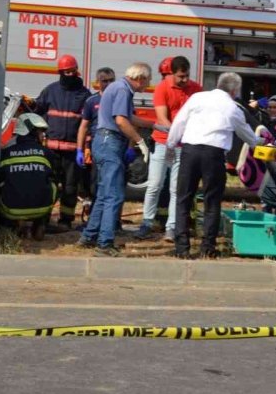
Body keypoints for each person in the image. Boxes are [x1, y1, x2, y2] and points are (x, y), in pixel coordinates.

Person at [166, 72, 258, 259]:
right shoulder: (232, 108)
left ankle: (182, 247)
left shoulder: (197, 98)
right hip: (213, 155)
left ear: (218, 84)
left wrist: (170, 144)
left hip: (190, 151)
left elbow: (179, 122)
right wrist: (260, 143)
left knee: (184, 198)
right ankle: (207, 246)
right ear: (235, 91)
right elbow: (246, 133)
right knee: (212, 201)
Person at [78, 63, 154, 256]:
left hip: (103, 142)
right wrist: (139, 141)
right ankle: (105, 244)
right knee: (114, 195)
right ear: (140, 78)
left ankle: (89, 236)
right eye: (148, 80)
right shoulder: (123, 90)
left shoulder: (118, 87)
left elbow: (129, 118)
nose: (148, 85)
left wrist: (154, 125)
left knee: (104, 193)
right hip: (110, 142)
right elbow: (121, 120)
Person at [134, 56, 202, 242]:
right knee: (154, 185)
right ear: (172, 73)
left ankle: (171, 227)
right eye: (181, 76)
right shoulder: (162, 88)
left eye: (187, 75)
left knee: (176, 189)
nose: (185, 80)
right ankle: (147, 223)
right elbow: (162, 118)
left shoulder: (196, 89)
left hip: (184, 144)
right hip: (163, 142)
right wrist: (175, 134)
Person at [33, 55, 91, 230]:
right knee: (48, 186)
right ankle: (42, 219)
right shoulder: (50, 91)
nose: (70, 74)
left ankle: (66, 220)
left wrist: (86, 148)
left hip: (73, 152)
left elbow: (88, 123)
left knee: (70, 188)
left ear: (77, 71)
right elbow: (37, 113)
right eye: (66, 72)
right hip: (50, 150)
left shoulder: (84, 94)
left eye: (72, 71)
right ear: (60, 72)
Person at [0, 113, 56, 240]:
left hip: (11, 210)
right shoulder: (46, 153)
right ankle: (41, 223)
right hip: (42, 209)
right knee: (54, 184)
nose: (43, 135)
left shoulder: (5, 152)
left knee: (0, 185)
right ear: (31, 131)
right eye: (40, 131)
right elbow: (55, 175)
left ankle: (10, 226)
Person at [76, 66, 116, 209]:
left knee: (113, 184)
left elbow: (130, 123)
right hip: (97, 147)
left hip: (115, 146)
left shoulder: (121, 99)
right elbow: (83, 127)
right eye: (105, 81)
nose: (109, 84)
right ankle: (94, 214)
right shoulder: (91, 101)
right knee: (94, 183)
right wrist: (79, 150)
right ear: (98, 82)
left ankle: (112, 218)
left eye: (111, 80)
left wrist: (130, 147)